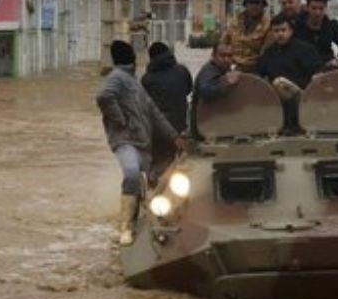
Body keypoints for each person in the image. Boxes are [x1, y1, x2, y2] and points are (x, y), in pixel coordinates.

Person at [96, 40, 184, 246]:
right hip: (126, 140)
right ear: (133, 60)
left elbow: (154, 113)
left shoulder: (135, 82)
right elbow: (103, 96)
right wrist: (120, 120)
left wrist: (174, 137)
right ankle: (125, 227)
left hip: (142, 143)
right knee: (132, 174)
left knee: (144, 185)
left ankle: (136, 226)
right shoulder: (118, 77)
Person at [257, 14, 322, 133]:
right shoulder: (269, 53)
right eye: (276, 31)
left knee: (280, 83)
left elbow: (318, 75)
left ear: (291, 31)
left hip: (304, 100)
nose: (280, 34)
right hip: (276, 103)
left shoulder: (306, 50)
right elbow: (260, 75)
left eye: (283, 30)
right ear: (271, 33)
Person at [190, 41, 241, 137]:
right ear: (213, 56)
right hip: (205, 129)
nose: (226, 59)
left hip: (215, 125)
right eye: (222, 55)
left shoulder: (223, 70)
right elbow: (206, 91)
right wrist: (227, 83)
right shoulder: (209, 71)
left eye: (230, 56)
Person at [141, 41, 193, 135]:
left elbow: (144, 104)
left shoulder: (147, 79)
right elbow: (189, 90)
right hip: (181, 125)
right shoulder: (182, 70)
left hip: (159, 130)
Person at [292, 0, 338, 69]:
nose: (317, 12)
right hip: (302, 69)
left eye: (321, 8)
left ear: (325, 8)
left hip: (327, 68)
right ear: (307, 7)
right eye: (314, 8)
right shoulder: (296, 25)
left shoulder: (332, 25)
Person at [221, 0, 271, 73]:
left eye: (258, 3)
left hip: (254, 69)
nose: (254, 6)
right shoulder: (234, 22)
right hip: (230, 66)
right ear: (246, 4)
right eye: (251, 2)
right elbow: (223, 44)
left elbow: (265, 55)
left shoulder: (268, 26)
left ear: (263, 5)